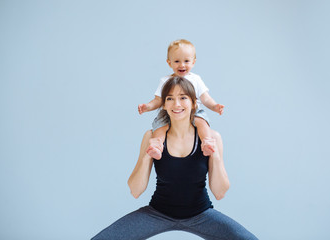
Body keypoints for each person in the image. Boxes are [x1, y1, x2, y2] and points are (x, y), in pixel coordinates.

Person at [91, 76, 258, 240]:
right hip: (158, 213)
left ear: (194, 103)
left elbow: (220, 192)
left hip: (201, 214)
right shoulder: (152, 137)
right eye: (170, 98)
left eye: (183, 98)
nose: (176, 104)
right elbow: (135, 191)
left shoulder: (212, 137)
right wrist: (146, 157)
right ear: (163, 104)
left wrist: (215, 156)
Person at [138, 39, 224, 160]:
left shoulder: (196, 79)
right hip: (168, 112)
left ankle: (207, 143)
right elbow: (158, 100)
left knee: (202, 123)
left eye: (186, 61)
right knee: (160, 126)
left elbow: (205, 98)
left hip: (195, 111)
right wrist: (147, 107)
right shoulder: (165, 81)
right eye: (177, 61)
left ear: (193, 62)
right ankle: (156, 146)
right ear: (169, 63)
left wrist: (215, 106)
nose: (182, 65)